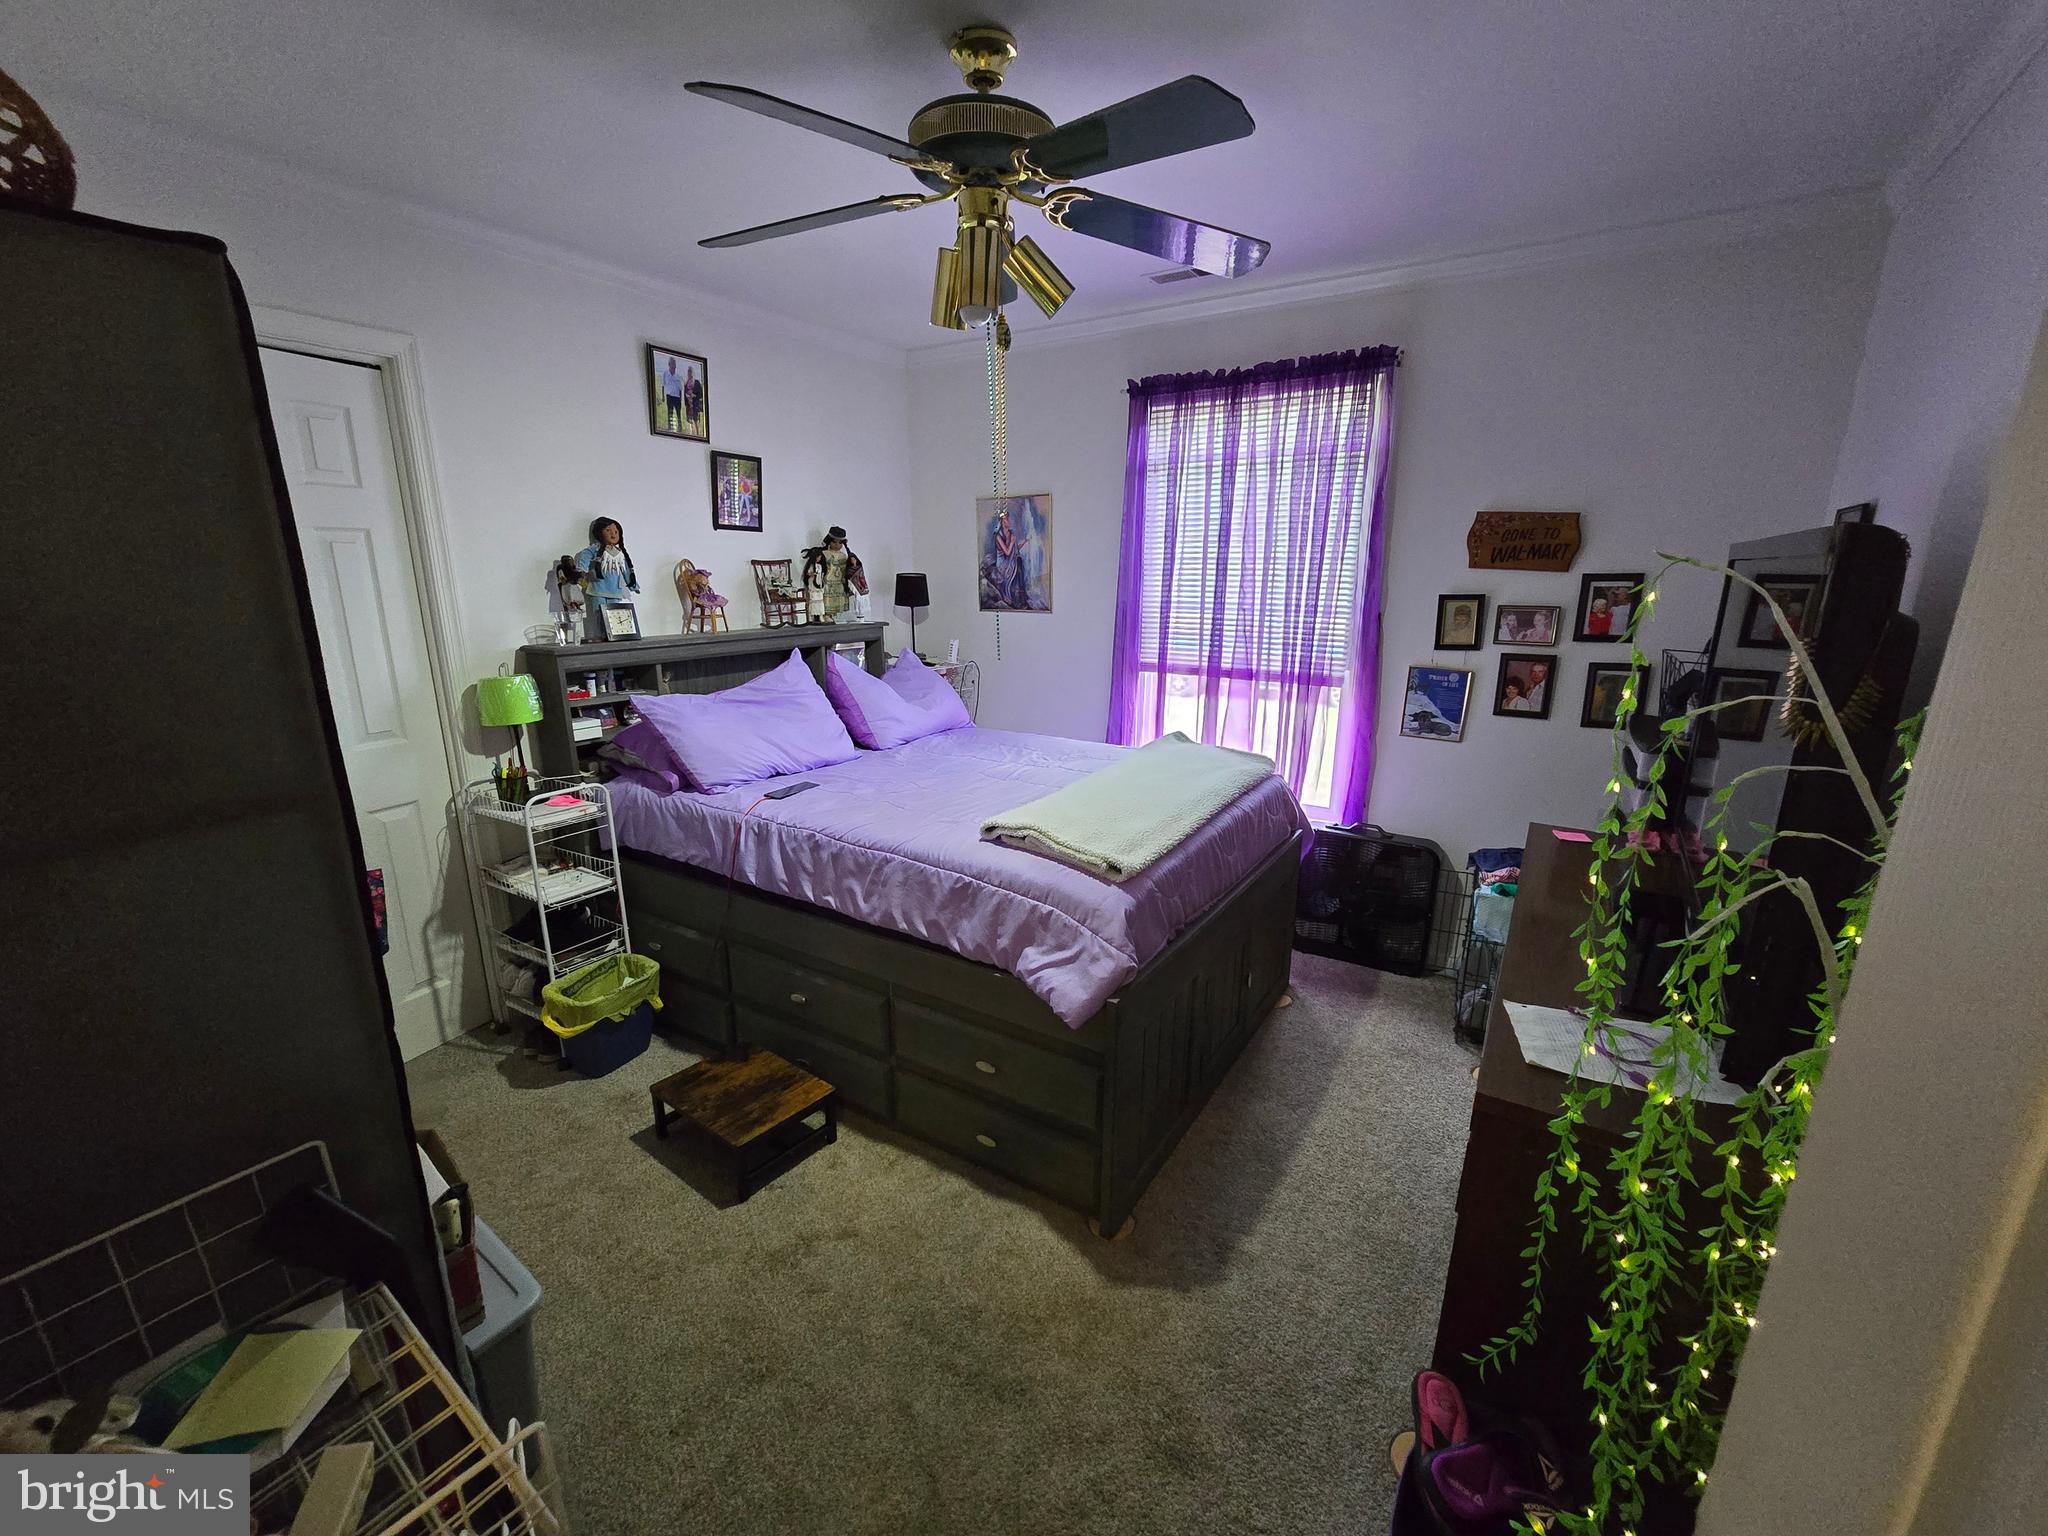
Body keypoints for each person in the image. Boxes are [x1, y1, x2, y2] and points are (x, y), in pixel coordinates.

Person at [574, 517, 640, 606]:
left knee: (613, 615)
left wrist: (633, 584)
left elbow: (626, 571)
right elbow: (586, 554)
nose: (613, 534)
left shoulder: (619, 553)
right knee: (600, 614)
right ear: (599, 533)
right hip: (598, 589)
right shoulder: (596, 548)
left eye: (616, 532)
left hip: (615, 591)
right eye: (608, 530)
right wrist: (582, 569)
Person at [659, 357, 685, 432]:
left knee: (678, 413)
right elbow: (663, 385)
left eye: (675, 364)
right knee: (670, 412)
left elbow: (680, 389)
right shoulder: (665, 373)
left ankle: (679, 428)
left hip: (677, 397)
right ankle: (670, 427)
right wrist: (663, 397)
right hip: (669, 396)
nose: (674, 365)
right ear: (669, 364)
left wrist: (680, 399)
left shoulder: (678, 375)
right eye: (672, 364)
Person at [682, 365, 704, 432]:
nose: (689, 373)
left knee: (696, 420)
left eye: (690, 371)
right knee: (690, 421)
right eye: (688, 371)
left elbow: (701, 394)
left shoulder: (696, 382)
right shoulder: (686, 383)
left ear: (692, 372)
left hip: (695, 404)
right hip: (688, 405)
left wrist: (694, 395)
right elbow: (684, 394)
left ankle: (698, 434)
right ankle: (692, 434)